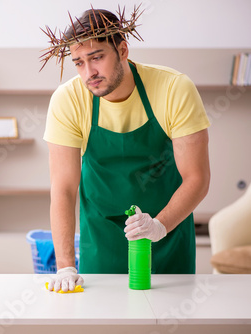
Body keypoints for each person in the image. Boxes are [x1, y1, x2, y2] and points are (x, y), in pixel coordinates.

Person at [41, 6, 211, 292]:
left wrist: (159, 226)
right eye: (79, 62)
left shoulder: (173, 89)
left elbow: (197, 177)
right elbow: (63, 188)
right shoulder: (68, 100)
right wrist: (65, 265)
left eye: (96, 58)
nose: (89, 72)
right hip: (102, 236)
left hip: (167, 233)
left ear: (122, 50)